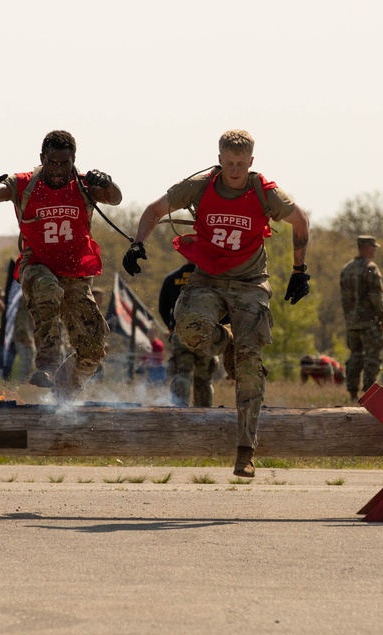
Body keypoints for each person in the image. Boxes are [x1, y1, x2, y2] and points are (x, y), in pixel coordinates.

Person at [122, 129, 310, 478]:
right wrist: (137, 244)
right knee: (188, 330)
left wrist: (299, 270)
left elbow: (300, 219)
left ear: (251, 162)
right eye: (230, 162)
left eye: (242, 163)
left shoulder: (264, 191)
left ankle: (245, 450)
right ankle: (226, 342)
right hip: (207, 277)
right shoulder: (201, 186)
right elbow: (155, 208)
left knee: (249, 364)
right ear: (220, 159)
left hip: (250, 282)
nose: (235, 169)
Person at [0, 129, 122, 400]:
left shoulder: (85, 184)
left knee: (94, 346)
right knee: (47, 288)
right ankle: (48, 365)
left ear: (73, 160)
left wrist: (108, 182)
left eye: (64, 163)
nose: (57, 170)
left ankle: (63, 395)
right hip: (37, 264)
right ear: (42, 158)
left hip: (75, 272)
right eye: (51, 162)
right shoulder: (24, 184)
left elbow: (115, 198)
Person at [159, 262, 218, 407]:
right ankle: (204, 414)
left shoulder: (172, 278)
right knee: (204, 378)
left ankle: (180, 411)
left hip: (181, 334)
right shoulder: (213, 276)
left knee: (182, 374)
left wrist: (171, 327)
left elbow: (163, 307)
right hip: (206, 334)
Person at [339, 235, 383, 401]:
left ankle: (352, 392)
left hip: (352, 322)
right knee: (372, 355)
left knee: (355, 355)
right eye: (373, 247)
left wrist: (348, 319)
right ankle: (369, 392)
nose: (374, 250)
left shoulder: (346, 269)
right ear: (367, 248)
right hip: (369, 321)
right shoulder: (371, 268)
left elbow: (343, 299)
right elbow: (377, 297)